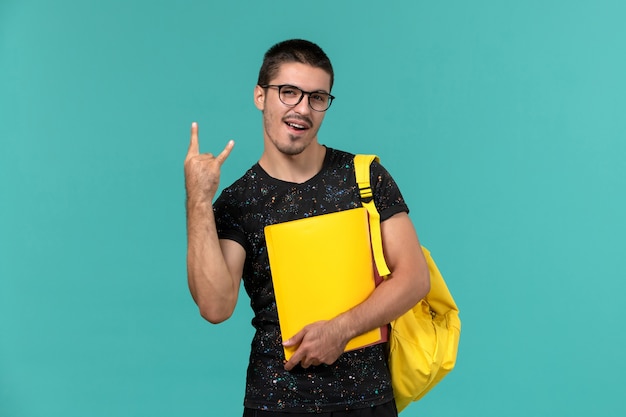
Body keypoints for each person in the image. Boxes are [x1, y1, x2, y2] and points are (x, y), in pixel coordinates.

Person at [184, 39, 430, 417]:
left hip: (369, 402)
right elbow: (215, 306)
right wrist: (198, 201)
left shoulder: (365, 177)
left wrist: (340, 330)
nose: (302, 108)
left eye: (317, 97)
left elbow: (414, 278)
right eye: (288, 92)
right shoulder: (239, 201)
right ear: (260, 96)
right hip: (277, 403)